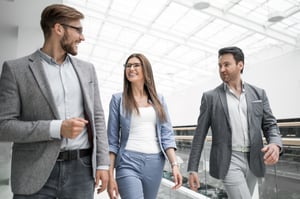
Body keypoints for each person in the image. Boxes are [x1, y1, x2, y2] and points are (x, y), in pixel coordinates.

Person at [0, 4, 109, 199]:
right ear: (58, 29)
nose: (82, 37)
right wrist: (56, 128)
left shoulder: (87, 70)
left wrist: (102, 164)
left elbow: (98, 118)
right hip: (33, 172)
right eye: (78, 30)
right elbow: (4, 126)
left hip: (81, 171)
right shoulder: (16, 70)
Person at [187, 46, 282, 199]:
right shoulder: (210, 97)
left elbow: (270, 124)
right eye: (220, 66)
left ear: (240, 65)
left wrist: (276, 144)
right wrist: (192, 168)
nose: (222, 69)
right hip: (229, 160)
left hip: (254, 159)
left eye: (226, 64)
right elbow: (199, 134)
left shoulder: (258, 93)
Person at [106, 53, 182, 199]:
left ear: (146, 69)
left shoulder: (159, 99)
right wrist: (110, 175)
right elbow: (112, 141)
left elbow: (167, 135)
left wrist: (174, 165)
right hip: (128, 162)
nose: (131, 68)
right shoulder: (117, 99)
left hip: (155, 163)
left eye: (136, 65)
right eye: (128, 66)